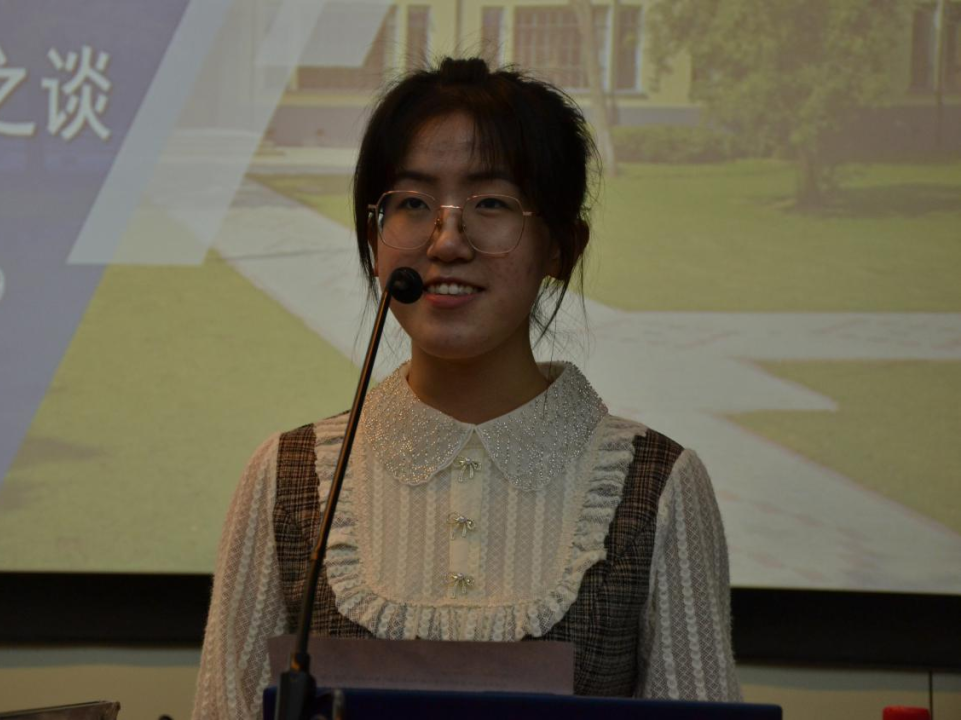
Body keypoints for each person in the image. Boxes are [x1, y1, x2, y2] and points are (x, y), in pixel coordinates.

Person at [193, 57, 741, 720]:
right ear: (374, 239)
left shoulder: (659, 485)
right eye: (412, 203)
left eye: (491, 204)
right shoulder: (285, 477)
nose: (447, 241)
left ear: (562, 246)